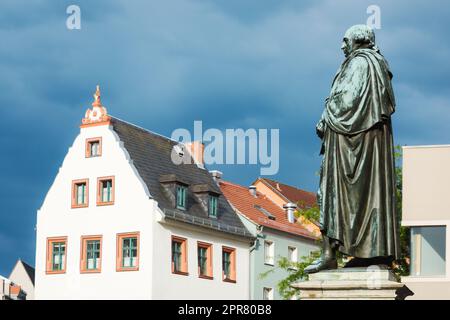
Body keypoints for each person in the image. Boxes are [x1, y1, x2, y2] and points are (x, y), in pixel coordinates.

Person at [305, 25, 400, 274]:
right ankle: (368, 253)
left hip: (350, 145)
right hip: (367, 145)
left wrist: (326, 116)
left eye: (344, 40)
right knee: (368, 196)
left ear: (358, 41)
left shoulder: (360, 63)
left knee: (332, 193)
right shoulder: (376, 64)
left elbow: (347, 102)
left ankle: (330, 255)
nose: (341, 45)